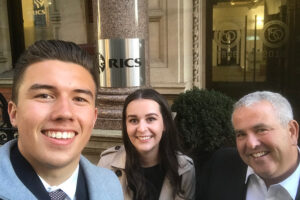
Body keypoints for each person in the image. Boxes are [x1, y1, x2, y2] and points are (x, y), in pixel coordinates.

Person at [0, 40, 123, 200]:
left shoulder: (111, 185)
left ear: (93, 117)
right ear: (13, 113)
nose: (65, 113)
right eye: (44, 95)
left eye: (79, 98)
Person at [198, 91, 300, 200]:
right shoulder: (220, 166)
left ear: (292, 131)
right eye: (241, 134)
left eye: (261, 130)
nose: (251, 144)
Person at [98, 88, 195, 200]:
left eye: (151, 119)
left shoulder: (184, 169)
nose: (142, 128)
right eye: (133, 120)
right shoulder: (106, 165)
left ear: (165, 124)